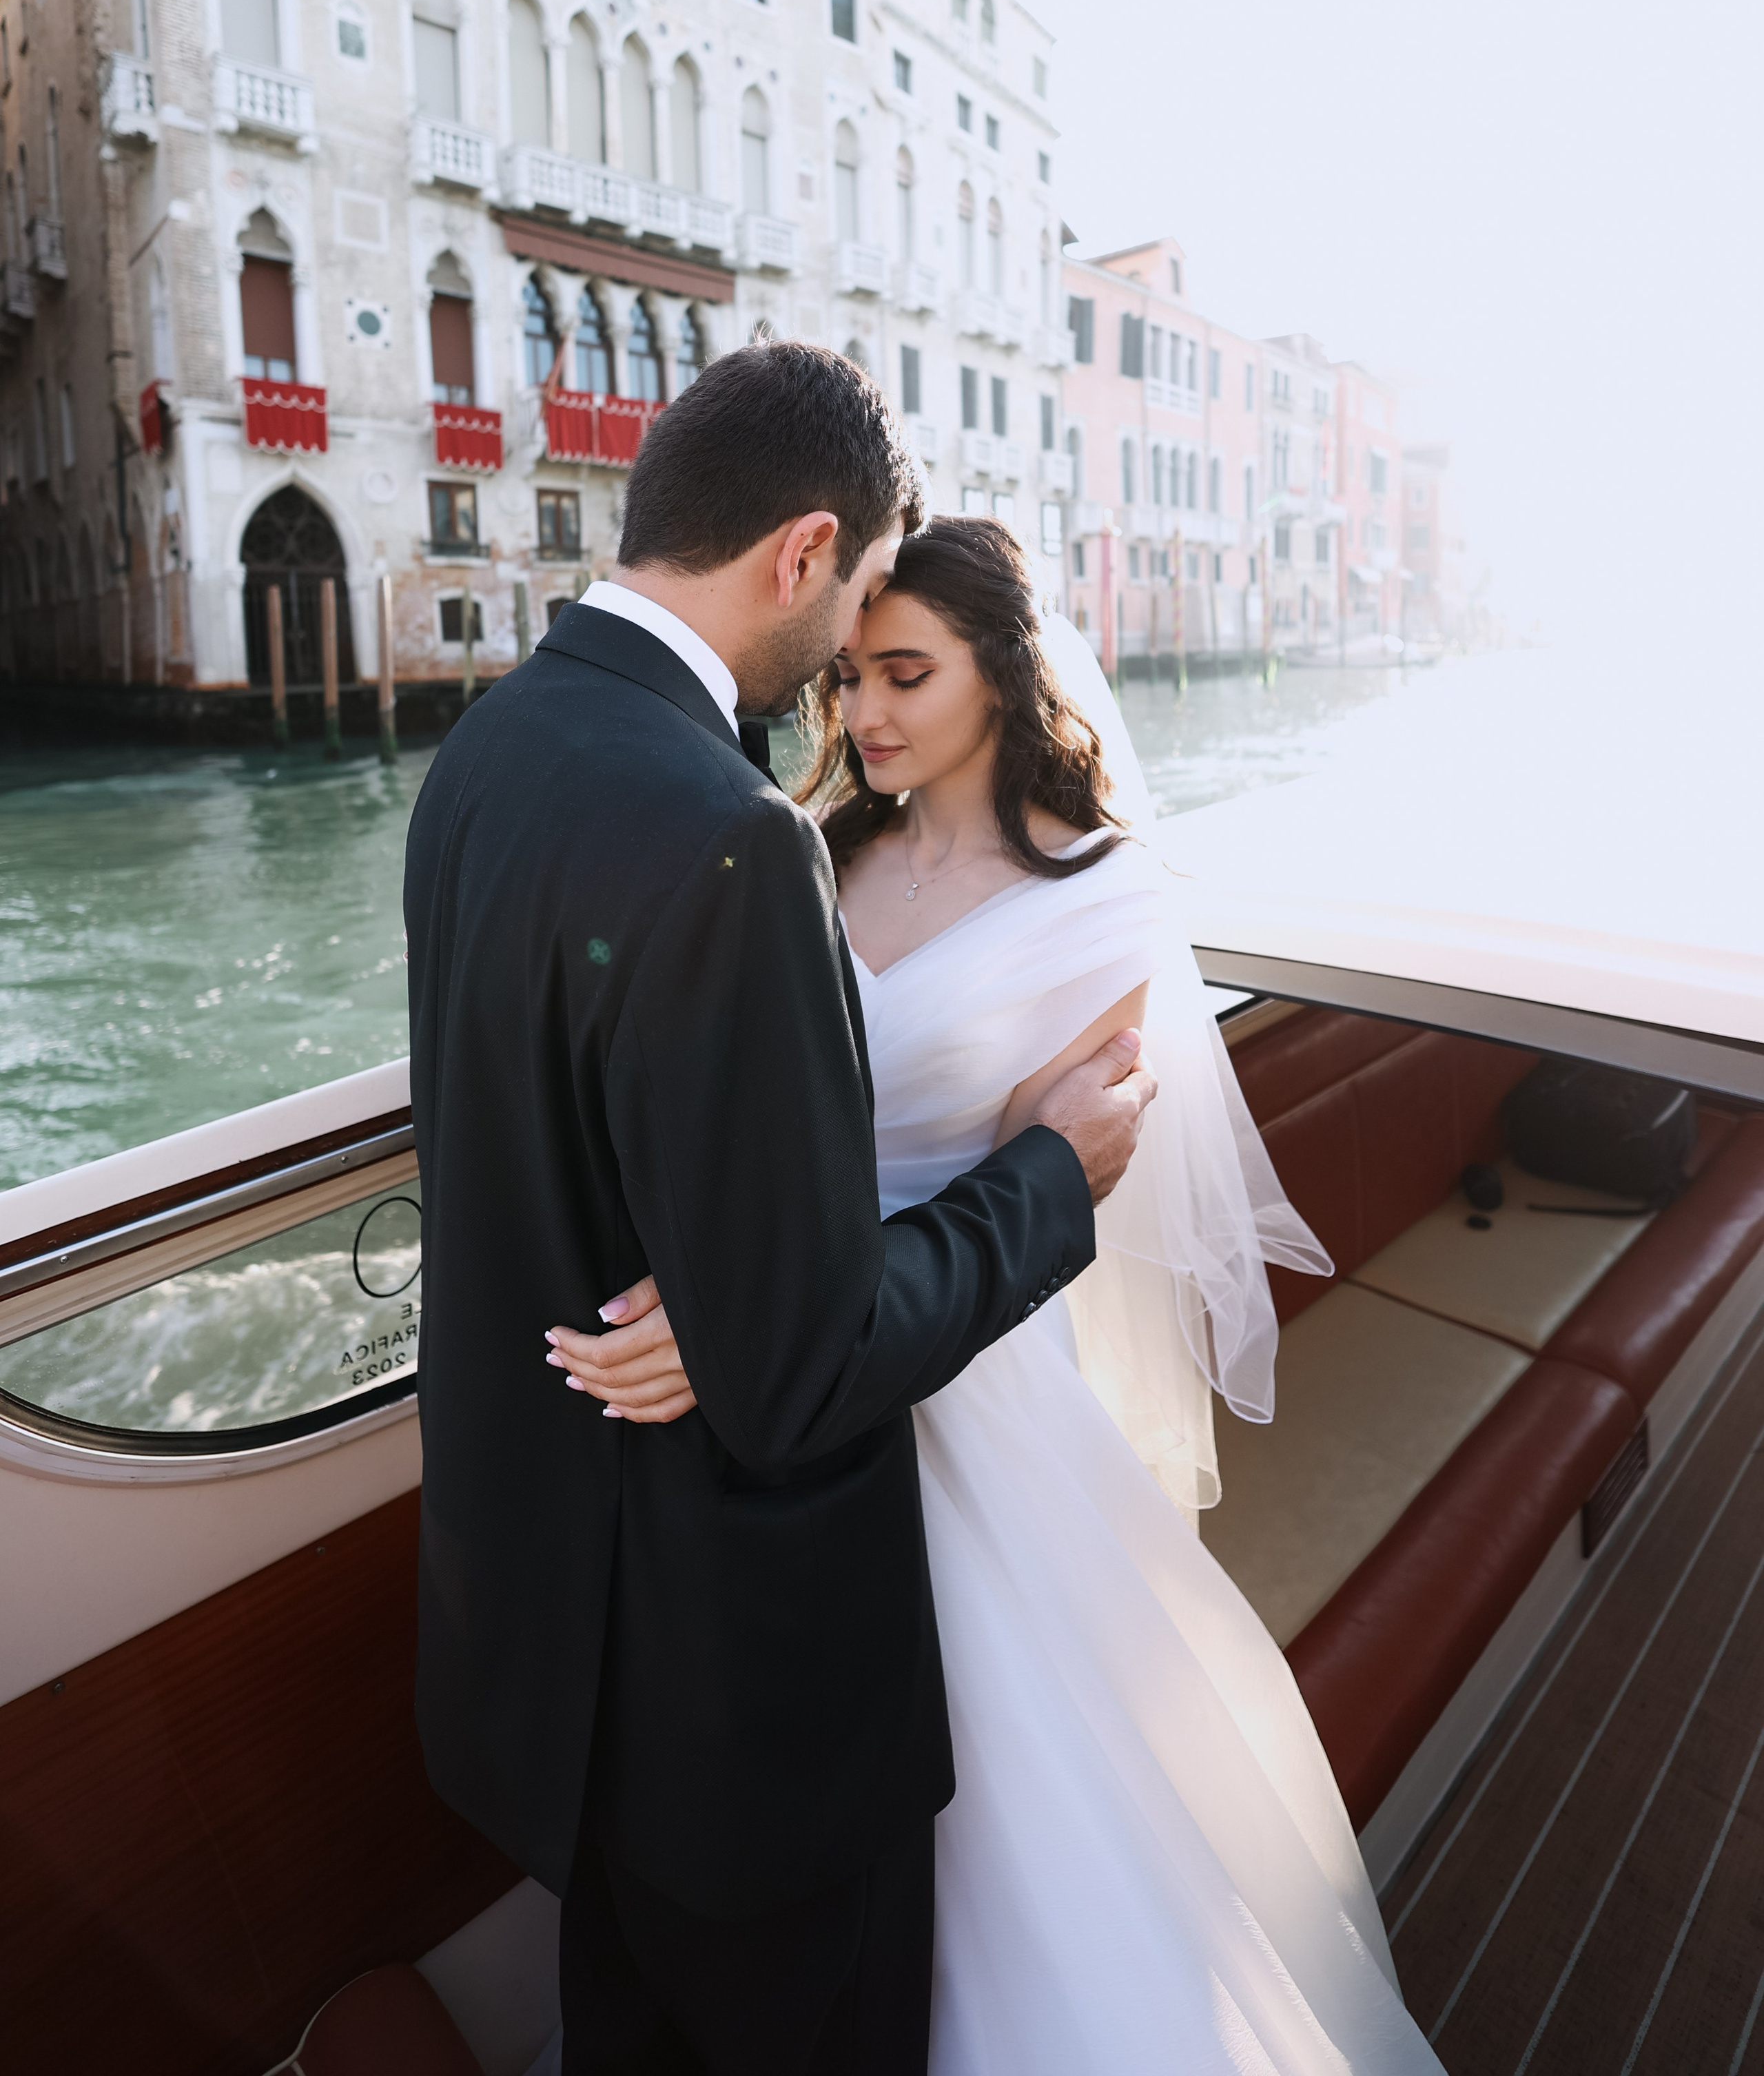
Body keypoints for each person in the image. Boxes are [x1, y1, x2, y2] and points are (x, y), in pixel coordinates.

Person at [560, 514, 1448, 2075]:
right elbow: (749, 1122)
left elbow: (1058, 1172)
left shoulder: (1105, 902)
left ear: (1004, 673)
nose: (865, 715)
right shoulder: (802, 851)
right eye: (846, 681)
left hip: (954, 1360)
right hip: (795, 1346)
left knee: (1014, 1793)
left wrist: (759, 1319)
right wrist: (718, 1297)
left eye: (905, 673)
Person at [404, 345, 1157, 2076]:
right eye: (865, 596)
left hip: (546, 1646)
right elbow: (801, 1371)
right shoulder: (739, 838)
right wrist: (1053, 1179)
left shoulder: (484, 752)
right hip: (730, 1694)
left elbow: (552, 1131)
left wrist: (695, 1288)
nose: (857, 666)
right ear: (805, 551)